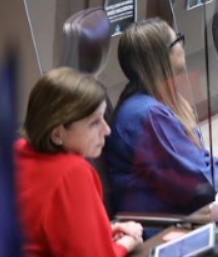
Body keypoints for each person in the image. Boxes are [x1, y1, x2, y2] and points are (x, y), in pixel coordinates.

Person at [105, 18, 218, 215]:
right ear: (161, 56)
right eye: (177, 40)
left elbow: (200, 162)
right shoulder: (147, 114)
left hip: (182, 211)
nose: (182, 46)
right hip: (163, 228)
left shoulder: (157, 101)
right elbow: (199, 183)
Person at [15, 67, 143, 256]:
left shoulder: (18, 150)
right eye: (94, 123)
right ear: (58, 134)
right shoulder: (72, 172)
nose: (107, 130)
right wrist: (126, 243)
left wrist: (105, 230)